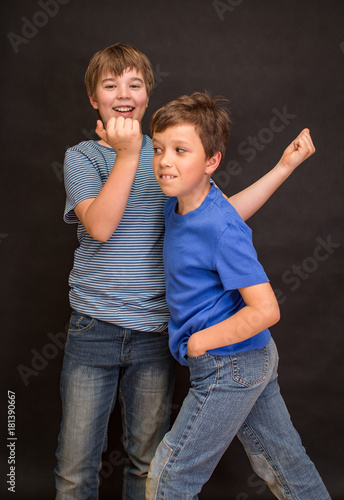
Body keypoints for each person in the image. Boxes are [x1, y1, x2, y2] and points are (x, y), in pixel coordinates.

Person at [55, 43, 318, 500]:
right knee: (77, 466)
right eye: (110, 85)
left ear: (148, 95)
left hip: (166, 337)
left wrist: (282, 167)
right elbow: (100, 226)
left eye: (135, 84)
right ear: (93, 98)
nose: (123, 93)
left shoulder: (167, 163)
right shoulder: (100, 160)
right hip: (94, 327)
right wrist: (127, 154)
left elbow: (218, 220)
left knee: (153, 467)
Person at [146, 92, 331, 500]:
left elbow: (266, 309)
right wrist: (284, 166)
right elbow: (229, 211)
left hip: (229, 364)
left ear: (211, 162)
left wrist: (200, 342)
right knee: (287, 468)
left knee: (170, 480)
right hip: (253, 357)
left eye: (179, 150)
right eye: (158, 149)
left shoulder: (221, 228)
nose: (164, 161)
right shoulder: (185, 205)